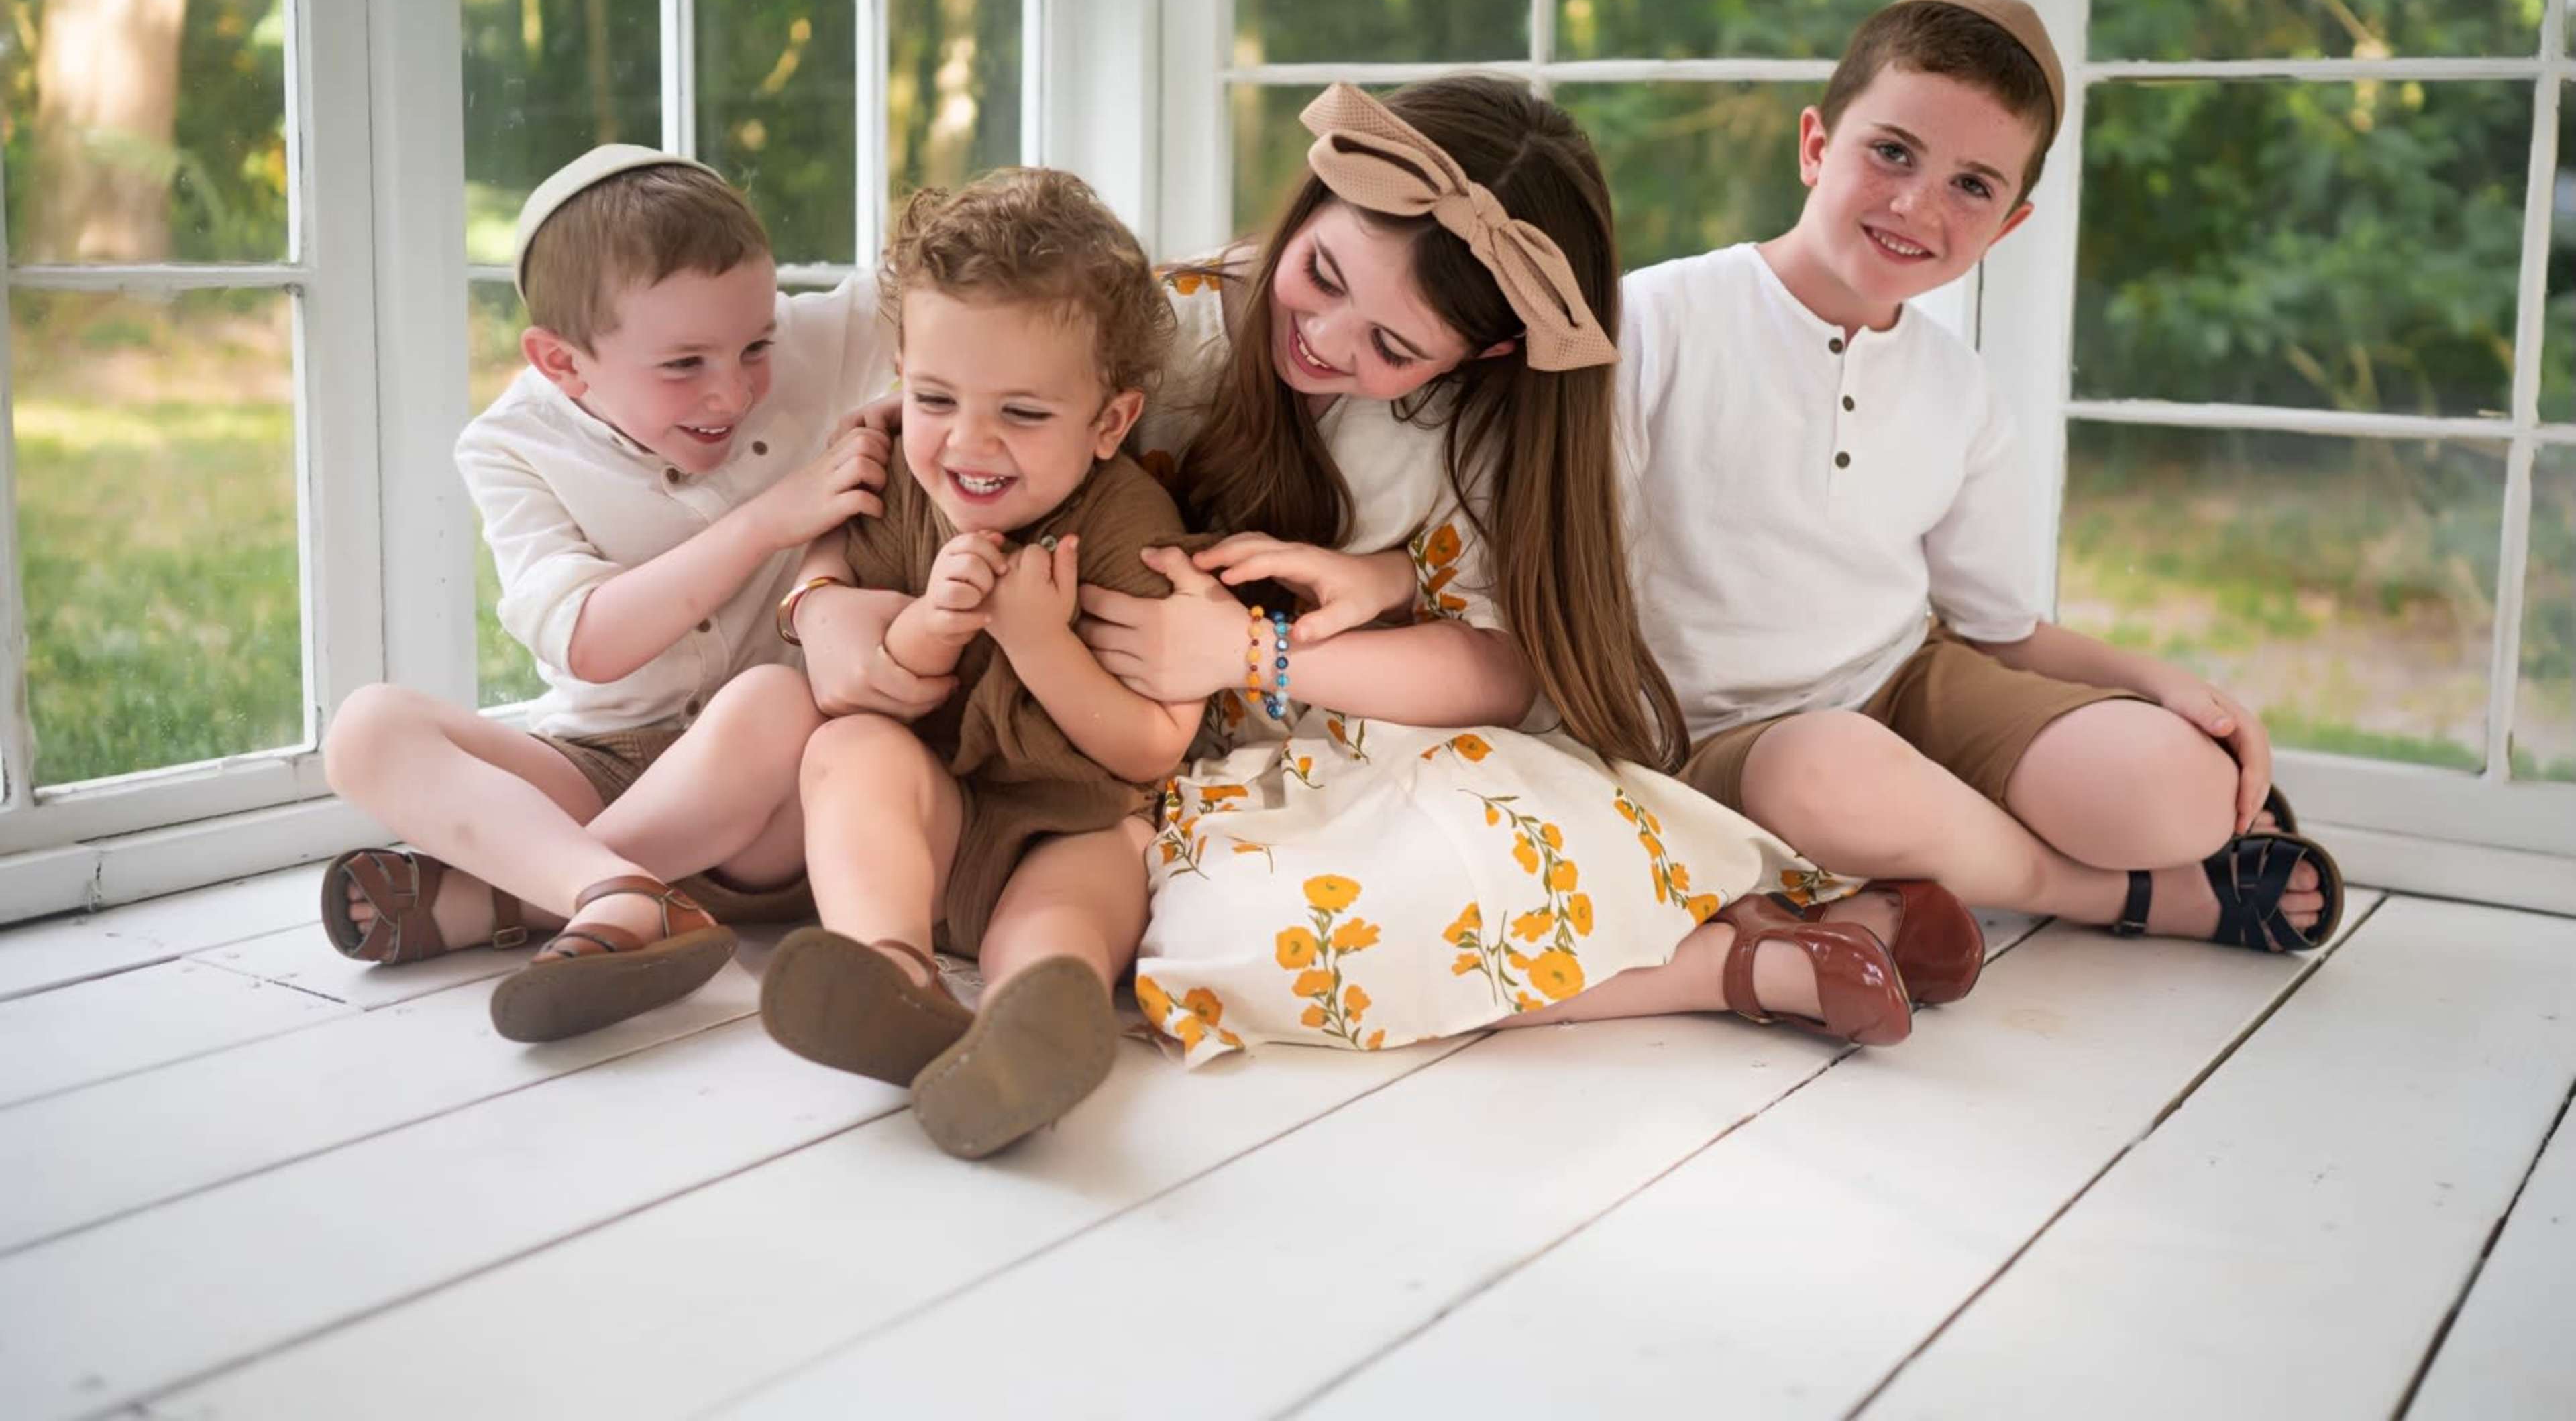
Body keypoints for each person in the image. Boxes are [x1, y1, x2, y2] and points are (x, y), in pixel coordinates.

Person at [1077, 78, 1981, 1064]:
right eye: (1321, 274)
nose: (1326, 339)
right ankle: (1750, 959)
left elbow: (1503, 668)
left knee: (1348, 914)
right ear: (1311, 201)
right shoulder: (1166, 327)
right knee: (1224, 935)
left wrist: (1259, 652)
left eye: (1393, 346)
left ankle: (1750, 948)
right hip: (1150, 751)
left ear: (1490, 351)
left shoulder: (1480, 428)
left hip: (1387, 748)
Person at [1622, 0, 2342, 953]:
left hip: (1900, 683)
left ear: (2006, 225)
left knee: (2183, 789)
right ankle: (2116, 895)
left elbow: (1999, 630)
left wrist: (2160, 682)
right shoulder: (1657, 321)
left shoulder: (1959, 389)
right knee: (1828, 773)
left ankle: (1950, 837)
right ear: (1815, 146)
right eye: (1892, 152)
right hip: (1713, 737)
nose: (1917, 205)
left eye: (1971, 185)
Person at [319, 146, 896, 1041]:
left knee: (776, 698)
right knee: (366, 728)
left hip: (767, 808)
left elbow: (959, 277)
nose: (733, 390)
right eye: (684, 365)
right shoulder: (509, 446)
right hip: (596, 768)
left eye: (756, 346)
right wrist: (768, 520)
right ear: (562, 362)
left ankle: (534, 896)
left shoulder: (812, 342)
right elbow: (588, 641)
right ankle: (607, 888)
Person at [754, 168, 1203, 1159]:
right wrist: (931, 622)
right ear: (900, 377)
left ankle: (1026, 1032)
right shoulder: (900, 491)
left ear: (1110, 422)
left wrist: (1038, 641)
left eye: (1024, 414)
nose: (968, 442)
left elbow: (1150, 749)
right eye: (934, 398)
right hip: (936, 819)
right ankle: (893, 973)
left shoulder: (1127, 525)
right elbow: (868, 681)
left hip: (1071, 823)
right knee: (850, 751)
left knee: (1080, 895)